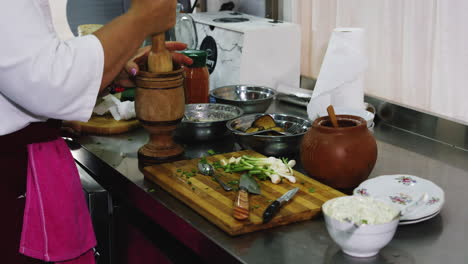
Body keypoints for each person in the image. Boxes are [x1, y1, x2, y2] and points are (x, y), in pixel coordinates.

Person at [1, 0, 191, 263]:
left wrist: (108, 71)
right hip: (11, 182)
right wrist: (142, 18)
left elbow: (30, 67)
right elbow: (50, 83)